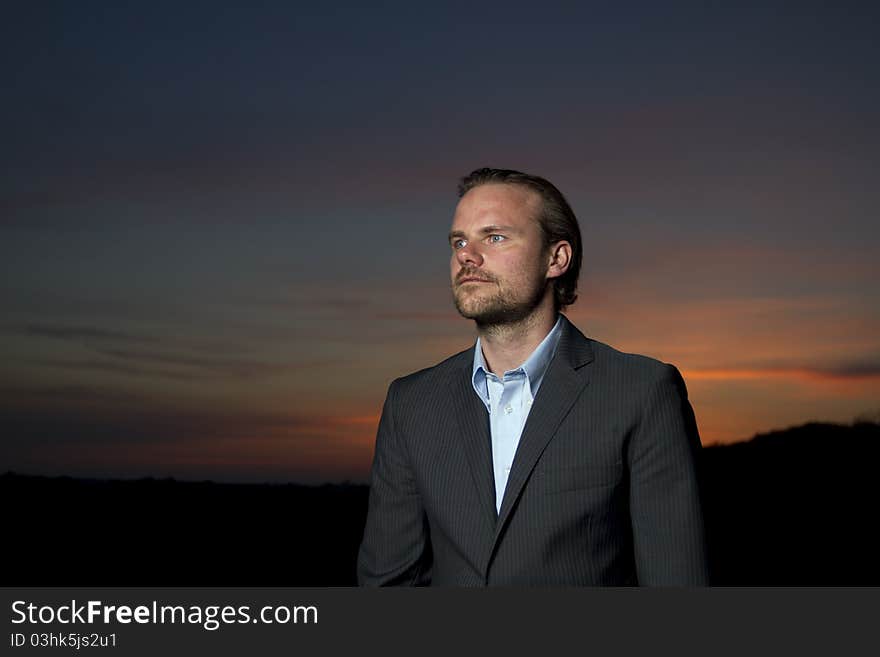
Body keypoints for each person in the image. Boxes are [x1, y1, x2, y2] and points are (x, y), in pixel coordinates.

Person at [357, 167, 709, 586]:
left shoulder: (641, 391)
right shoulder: (410, 402)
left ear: (556, 258)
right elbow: (386, 584)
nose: (467, 254)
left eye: (495, 237)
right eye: (459, 241)